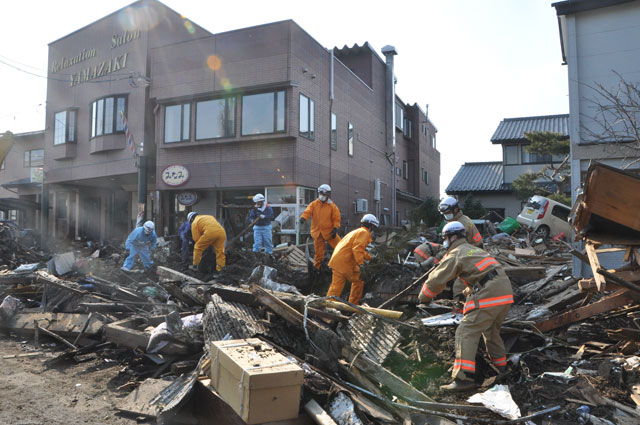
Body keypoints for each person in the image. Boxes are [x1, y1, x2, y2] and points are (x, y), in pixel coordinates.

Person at [418, 221, 513, 392]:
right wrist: (468, 292)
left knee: (466, 331)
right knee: (491, 332)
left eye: (445, 238)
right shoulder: (474, 250)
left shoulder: (456, 253)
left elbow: (435, 280)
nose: (444, 242)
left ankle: (464, 378)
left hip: (490, 293)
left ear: (453, 237)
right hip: (505, 291)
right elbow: (482, 274)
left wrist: (423, 297)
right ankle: (502, 369)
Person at [326, 214, 378, 305]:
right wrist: (361, 264)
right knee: (359, 280)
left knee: (336, 287)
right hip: (345, 263)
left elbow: (357, 249)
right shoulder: (364, 233)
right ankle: (353, 305)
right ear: (372, 226)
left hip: (337, 261)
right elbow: (357, 249)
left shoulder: (356, 231)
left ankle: (328, 306)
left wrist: (369, 257)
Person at [439, 196, 483, 297]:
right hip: (472, 252)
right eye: (445, 214)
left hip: (472, 255)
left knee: (459, 288)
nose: (446, 215)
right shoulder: (458, 220)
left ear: (455, 209)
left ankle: (460, 308)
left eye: (448, 213)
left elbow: (456, 246)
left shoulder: (461, 223)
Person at [299, 184, 341, 270]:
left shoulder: (332, 206)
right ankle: (317, 270)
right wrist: (303, 218)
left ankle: (342, 265)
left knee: (341, 247)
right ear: (318, 193)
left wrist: (335, 228)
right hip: (318, 233)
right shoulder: (313, 204)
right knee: (318, 254)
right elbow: (307, 212)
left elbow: (336, 218)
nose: (322, 196)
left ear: (328, 195)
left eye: (325, 194)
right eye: (321, 194)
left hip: (330, 232)